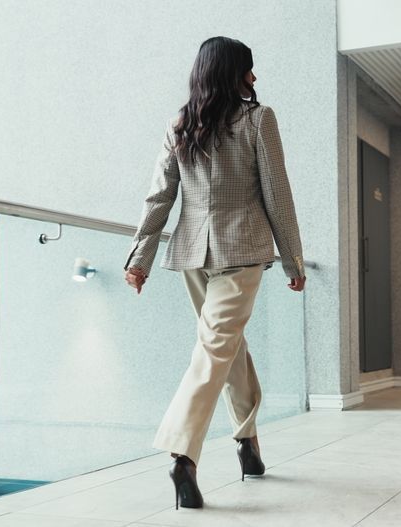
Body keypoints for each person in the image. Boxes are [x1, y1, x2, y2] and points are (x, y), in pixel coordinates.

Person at [123, 36, 306, 510]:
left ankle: (247, 443)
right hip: (241, 250)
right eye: (250, 68)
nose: (255, 77)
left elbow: (159, 196)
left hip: (191, 253)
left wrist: (141, 257)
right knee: (216, 349)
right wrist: (292, 259)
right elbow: (277, 196)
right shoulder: (259, 120)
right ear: (233, 73)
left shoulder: (182, 123)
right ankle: (183, 455)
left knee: (224, 346)